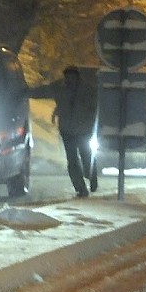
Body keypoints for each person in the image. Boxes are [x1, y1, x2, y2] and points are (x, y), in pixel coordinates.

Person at [51, 65, 98, 197]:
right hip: (67, 131)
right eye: (68, 76)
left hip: (83, 131)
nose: (70, 79)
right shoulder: (61, 89)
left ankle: (92, 177)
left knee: (86, 157)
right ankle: (81, 189)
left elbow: (95, 107)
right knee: (72, 161)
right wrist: (24, 92)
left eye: (72, 76)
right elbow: (44, 91)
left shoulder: (88, 90)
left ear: (77, 76)